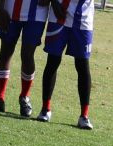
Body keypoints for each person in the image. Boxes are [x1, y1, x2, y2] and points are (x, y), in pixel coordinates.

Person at [0, 0, 51, 117]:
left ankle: (25, 97)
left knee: (27, 54)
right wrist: (0, 8)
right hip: (11, 9)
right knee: (5, 51)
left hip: (37, 12)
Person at [36, 0, 94, 130]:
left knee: (82, 65)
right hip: (59, 15)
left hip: (83, 18)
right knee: (53, 61)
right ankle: (45, 109)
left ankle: (84, 116)